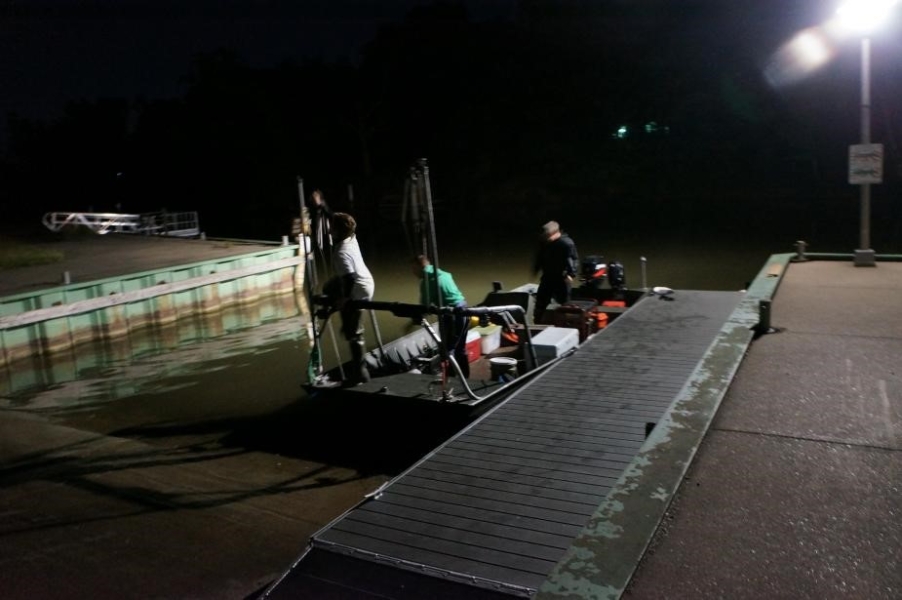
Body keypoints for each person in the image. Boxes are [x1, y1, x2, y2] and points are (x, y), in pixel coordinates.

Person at [327, 212, 375, 384]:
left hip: (359, 288)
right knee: (328, 287)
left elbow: (350, 278)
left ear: (338, 231)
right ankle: (350, 324)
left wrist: (344, 300)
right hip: (366, 281)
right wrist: (322, 206)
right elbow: (342, 223)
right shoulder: (351, 238)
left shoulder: (341, 252)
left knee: (352, 332)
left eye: (331, 227)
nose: (329, 229)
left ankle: (361, 373)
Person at [411, 254, 470, 378]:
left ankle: (451, 380)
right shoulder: (444, 273)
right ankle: (466, 377)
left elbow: (425, 307)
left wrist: (414, 319)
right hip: (464, 308)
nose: (413, 273)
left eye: (413, 269)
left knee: (448, 350)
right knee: (461, 348)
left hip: (452, 313)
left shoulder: (427, 281)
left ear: (418, 267)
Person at [532, 220, 579, 323]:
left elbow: (573, 259)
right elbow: (540, 257)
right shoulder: (545, 242)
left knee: (564, 303)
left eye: (547, 236)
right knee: (541, 301)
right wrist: (535, 269)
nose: (546, 238)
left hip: (562, 278)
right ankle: (537, 322)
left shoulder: (566, 243)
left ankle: (566, 323)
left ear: (556, 233)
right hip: (548, 277)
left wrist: (571, 274)